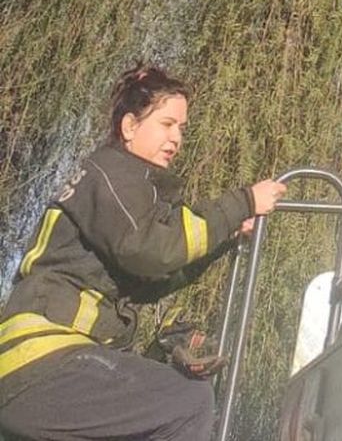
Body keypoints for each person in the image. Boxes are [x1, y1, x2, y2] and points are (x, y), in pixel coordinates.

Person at [0, 67, 286, 441]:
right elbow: (151, 251)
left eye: (182, 128)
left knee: (156, 402)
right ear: (130, 126)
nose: (176, 138)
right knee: (188, 401)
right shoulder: (112, 173)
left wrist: (224, 237)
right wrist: (243, 202)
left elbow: (149, 279)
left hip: (34, 368)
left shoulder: (118, 183)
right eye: (167, 124)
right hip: (41, 358)